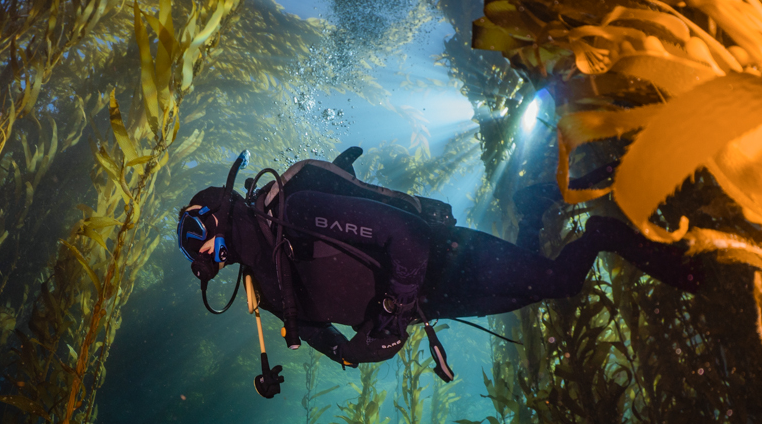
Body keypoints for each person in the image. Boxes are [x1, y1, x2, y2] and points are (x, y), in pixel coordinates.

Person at [177, 147, 701, 387]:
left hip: (449, 258)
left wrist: (392, 310)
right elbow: (320, 336)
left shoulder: (295, 213)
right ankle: (533, 206)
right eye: (189, 249)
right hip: (433, 302)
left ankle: (608, 235)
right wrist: (355, 350)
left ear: (219, 212)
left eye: (195, 234)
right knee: (542, 285)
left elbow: (405, 235)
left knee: (560, 282)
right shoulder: (266, 290)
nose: (198, 255)